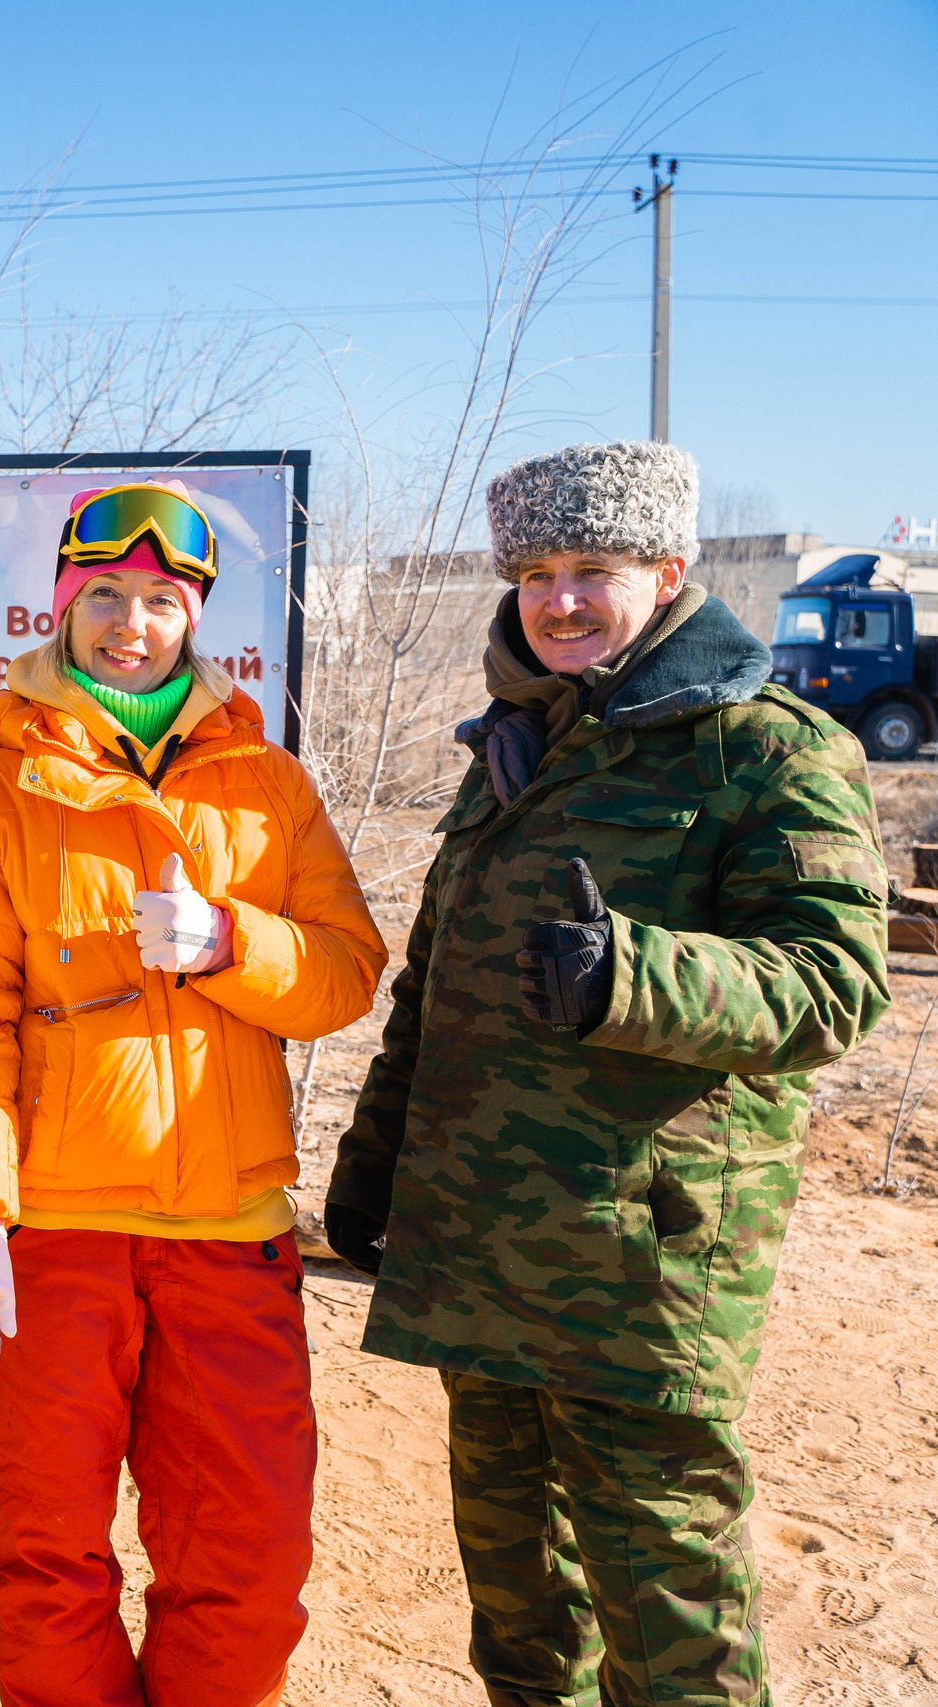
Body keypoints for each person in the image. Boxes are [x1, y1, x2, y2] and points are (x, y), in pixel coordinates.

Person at [328, 441, 890, 1704]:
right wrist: (374, 1170)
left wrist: (629, 976)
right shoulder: (512, 749)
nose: (560, 597)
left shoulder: (763, 748)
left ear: (669, 572)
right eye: (535, 570)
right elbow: (433, 990)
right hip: (483, 1243)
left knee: (662, 1598)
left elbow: (833, 983)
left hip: (638, 1262)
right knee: (518, 1599)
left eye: (595, 567)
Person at [0, 484, 385, 1707]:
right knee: (44, 1561)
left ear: (196, 619)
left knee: (249, 1561)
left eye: (161, 601)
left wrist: (233, 942)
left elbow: (345, 977)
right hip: (54, 1239)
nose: (129, 623)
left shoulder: (265, 785)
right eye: (102, 596)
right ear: (60, 610)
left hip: (230, 1240)